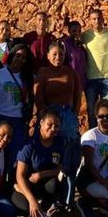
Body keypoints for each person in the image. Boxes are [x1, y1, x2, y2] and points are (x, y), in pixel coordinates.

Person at [33, 41, 85, 206]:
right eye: (54, 54)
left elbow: (78, 96)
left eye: (61, 54)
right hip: (51, 117)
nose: (58, 57)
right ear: (48, 56)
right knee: (55, 157)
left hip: (68, 119)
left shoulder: (71, 72)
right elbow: (38, 98)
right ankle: (51, 198)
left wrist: (74, 114)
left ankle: (67, 200)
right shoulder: (43, 73)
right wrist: (47, 116)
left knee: (70, 158)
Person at [12, 110, 67, 217]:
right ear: (41, 123)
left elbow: (60, 168)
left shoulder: (59, 143)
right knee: (24, 207)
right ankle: (28, 215)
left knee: (56, 184)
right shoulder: (29, 144)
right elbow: (19, 176)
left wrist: (40, 175)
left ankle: (40, 215)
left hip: (44, 184)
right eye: (49, 124)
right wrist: (32, 201)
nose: (53, 129)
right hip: (24, 186)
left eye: (56, 126)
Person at [0, 43, 33, 173]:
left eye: (23, 57)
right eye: (18, 55)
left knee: (15, 155)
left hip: (18, 120)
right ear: (12, 55)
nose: (20, 59)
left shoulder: (27, 77)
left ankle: (10, 182)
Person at [81, 9, 108, 129]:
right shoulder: (85, 36)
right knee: (91, 112)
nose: (97, 21)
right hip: (91, 79)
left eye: (99, 18)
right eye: (94, 19)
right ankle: (93, 135)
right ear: (90, 21)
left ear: (103, 19)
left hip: (107, 78)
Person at [57, 20, 88, 95]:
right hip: (69, 83)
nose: (77, 33)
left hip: (81, 83)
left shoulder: (80, 46)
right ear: (69, 31)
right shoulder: (64, 44)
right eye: (74, 31)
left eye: (79, 31)